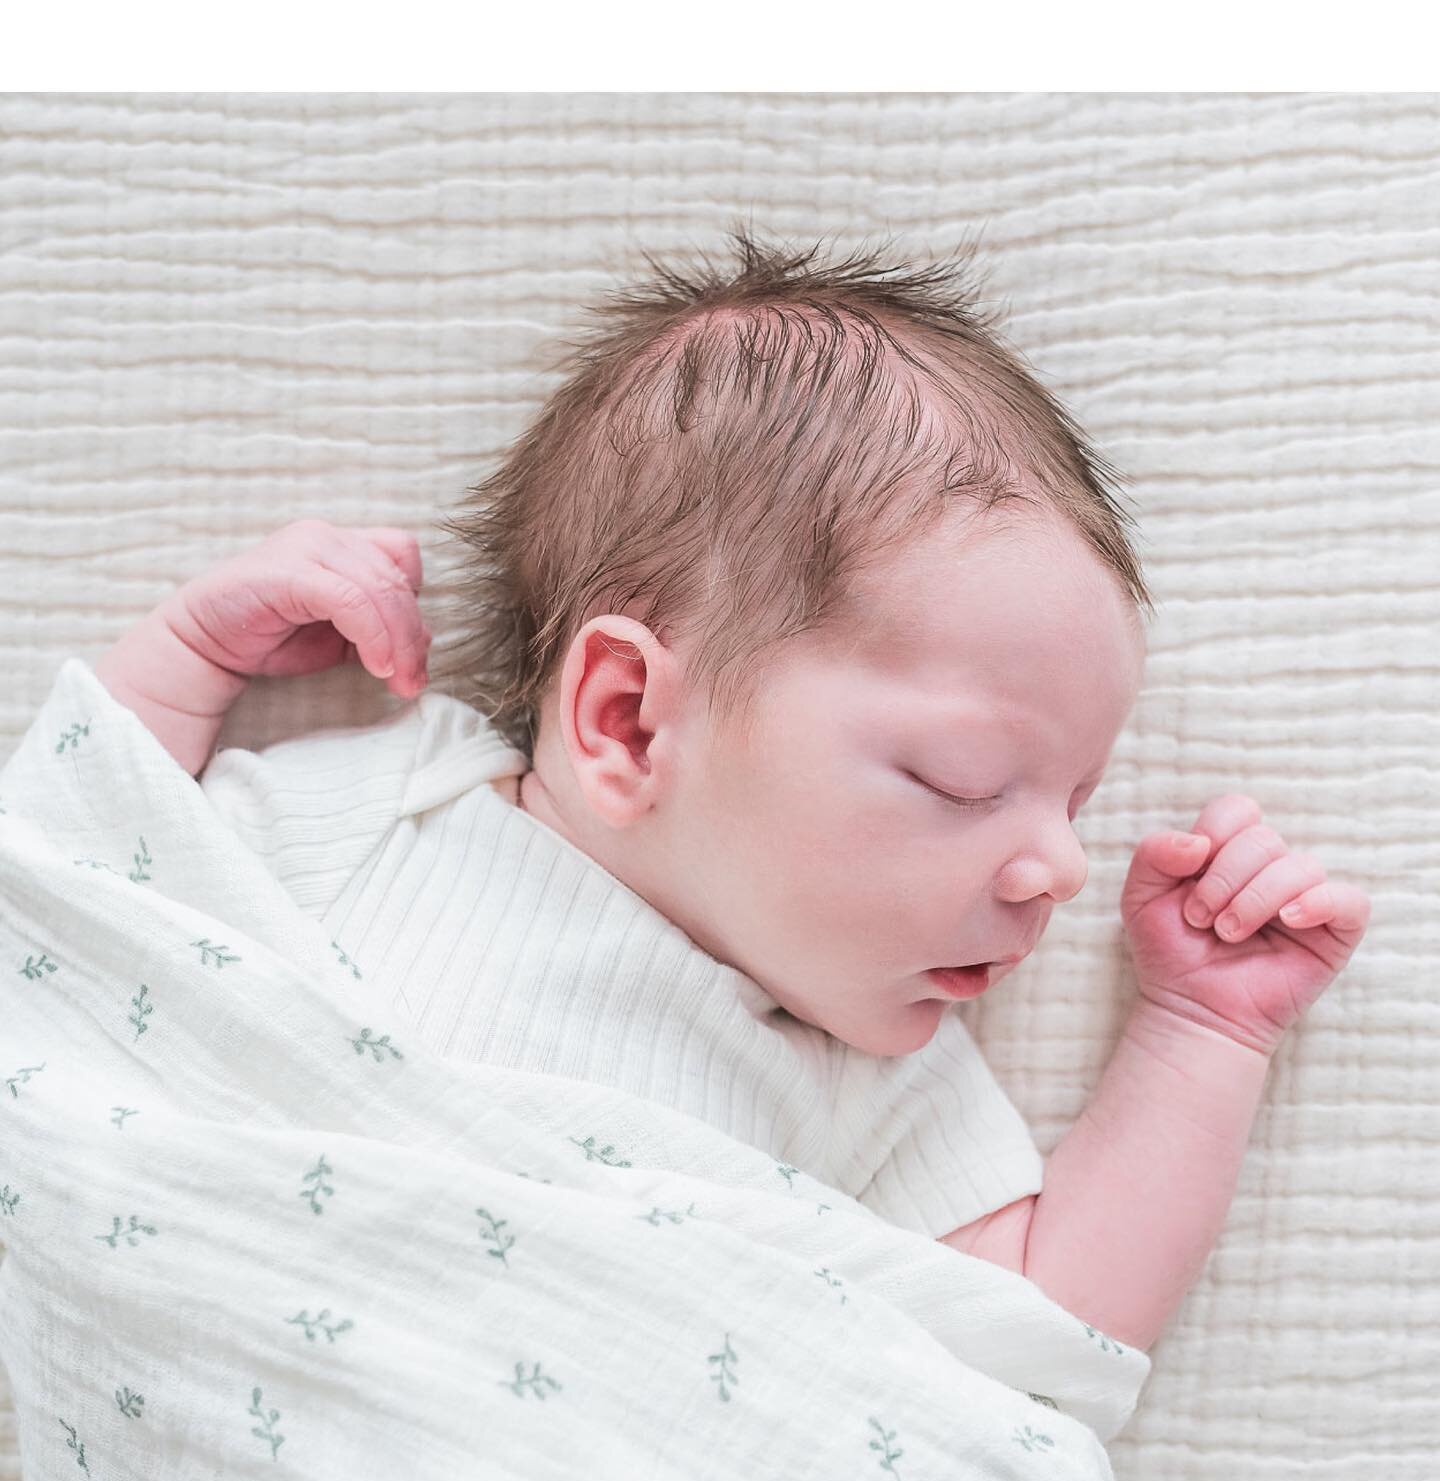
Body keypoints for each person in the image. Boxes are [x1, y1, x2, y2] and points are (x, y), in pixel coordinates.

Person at [85, 228, 1370, 1356]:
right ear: (630, 720)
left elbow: (1040, 1339)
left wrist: (1202, 1036)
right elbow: (71, 913)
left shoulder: (865, 1061)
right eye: (964, 780)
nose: (1060, 871)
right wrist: (184, 665)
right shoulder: (381, 817)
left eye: (1076, 801)